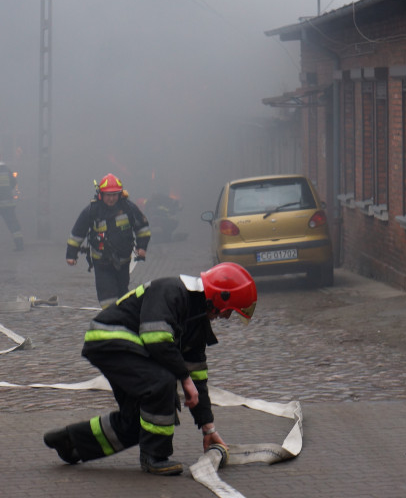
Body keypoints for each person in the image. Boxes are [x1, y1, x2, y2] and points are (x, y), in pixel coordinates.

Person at [43, 262, 257, 476]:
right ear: (221, 297)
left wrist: (208, 428)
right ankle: (154, 457)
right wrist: (183, 377)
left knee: (141, 422)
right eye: (229, 311)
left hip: (128, 347)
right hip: (110, 338)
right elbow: (155, 337)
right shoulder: (173, 290)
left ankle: (72, 442)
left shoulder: (197, 322)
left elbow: (198, 379)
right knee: (161, 384)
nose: (225, 317)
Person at [66, 173, 151, 309]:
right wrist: (71, 255)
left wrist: (142, 247)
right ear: (101, 194)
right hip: (102, 262)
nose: (111, 199)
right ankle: (112, 317)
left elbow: (143, 228)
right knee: (107, 295)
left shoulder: (128, 208)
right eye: (108, 195)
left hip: (123, 261)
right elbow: (77, 233)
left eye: (114, 195)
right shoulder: (92, 211)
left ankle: (123, 318)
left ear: (120, 194)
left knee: (122, 292)